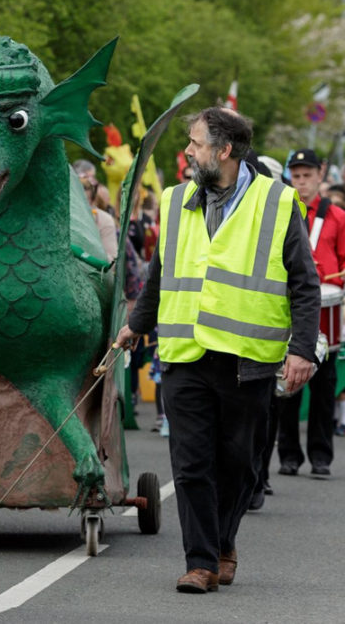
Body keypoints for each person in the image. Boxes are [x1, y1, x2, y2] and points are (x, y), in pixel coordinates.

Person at [116, 107, 319, 593]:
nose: (187, 151)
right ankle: (201, 562)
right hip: (184, 352)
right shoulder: (175, 200)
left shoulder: (277, 201)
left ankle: (224, 541)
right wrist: (135, 326)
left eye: (196, 143)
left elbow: (304, 283)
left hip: (248, 358)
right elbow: (161, 273)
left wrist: (302, 349)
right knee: (191, 463)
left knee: (240, 464)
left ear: (224, 150)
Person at [276, 148, 341, 478]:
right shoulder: (282, 211)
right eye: (296, 176)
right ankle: (289, 455)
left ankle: (321, 455)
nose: (301, 182)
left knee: (323, 390)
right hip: (290, 310)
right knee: (287, 384)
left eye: (307, 176)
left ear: (320, 175)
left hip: (327, 314)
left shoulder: (337, 217)